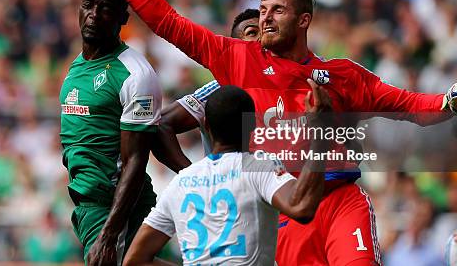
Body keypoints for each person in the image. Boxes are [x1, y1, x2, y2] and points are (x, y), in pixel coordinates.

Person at [75, 0, 457, 266]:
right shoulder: (238, 60)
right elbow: (171, 24)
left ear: (303, 20)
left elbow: (407, 106)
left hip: (340, 200)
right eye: (262, 9)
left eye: (277, 10)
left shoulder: (341, 75)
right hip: (283, 211)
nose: (264, 18)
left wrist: (447, 102)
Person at [123, 84, 330, 266]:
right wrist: (320, 136)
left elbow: (134, 260)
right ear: (252, 126)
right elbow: (302, 207)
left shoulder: (180, 183)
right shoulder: (257, 166)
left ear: (205, 125)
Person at [59, 0, 162, 266]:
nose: (93, 15)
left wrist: (108, 234)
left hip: (115, 207)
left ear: (122, 18)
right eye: (88, 5)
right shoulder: (77, 66)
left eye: (104, 9)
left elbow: (136, 160)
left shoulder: (135, 74)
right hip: (88, 203)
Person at [160, 8, 260, 156]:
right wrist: (189, 173)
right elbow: (162, 124)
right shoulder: (219, 90)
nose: (261, 39)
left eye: (267, 32)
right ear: (236, 46)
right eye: (252, 33)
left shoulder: (296, 85)